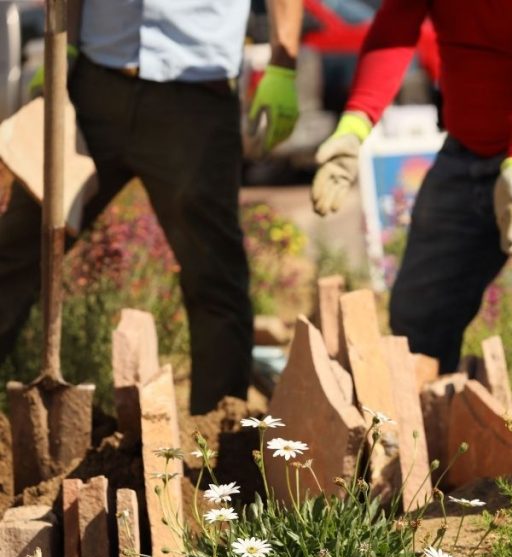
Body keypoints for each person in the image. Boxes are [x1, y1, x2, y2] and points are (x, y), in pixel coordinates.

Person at [0, 0, 302, 415]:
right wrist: (64, 45)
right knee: (16, 245)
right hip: (94, 86)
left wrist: (283, 63)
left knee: (214, 277)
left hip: (195, 99)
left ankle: (216, 446)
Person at [311, 0, 512, 388]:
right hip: (468, 144)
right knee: (419, 308)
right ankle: (419, 426)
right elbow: (393, 31)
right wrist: (354, 125)